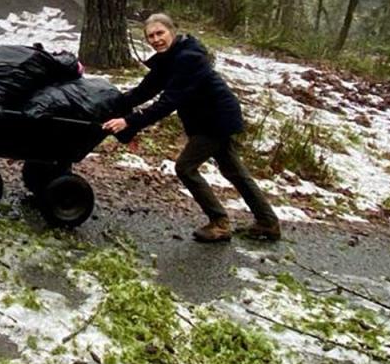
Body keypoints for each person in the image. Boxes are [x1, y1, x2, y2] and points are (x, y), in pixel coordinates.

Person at [102, 13, 280, 242]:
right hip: (207, 119)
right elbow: (144, 91)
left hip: (215, 119)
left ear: (172, 31)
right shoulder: (169, 59)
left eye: (160, 33)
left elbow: (168, 102)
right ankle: (267, 222)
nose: (156, 39)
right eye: (151, 36)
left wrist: (130, 121)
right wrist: (112, 104)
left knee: (185, 167)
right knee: (233, 169)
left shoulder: (187, 58)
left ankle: (219, 222)